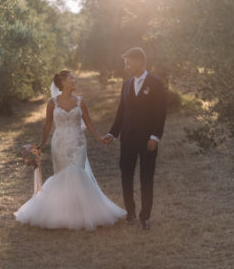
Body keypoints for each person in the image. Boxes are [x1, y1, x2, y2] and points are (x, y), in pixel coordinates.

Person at [13, 70, 126, 230]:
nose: (75, 80)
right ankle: (61, 214)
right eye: (71, 78)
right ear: (63, 81)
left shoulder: (81, 101)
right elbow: (47, 126)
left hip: (78, 142)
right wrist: (40, 146)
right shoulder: (52, 103)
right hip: (60, 143)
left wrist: (100, 138)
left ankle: (80, 214)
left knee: (77, 174)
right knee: (62, 175)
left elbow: (88, 123)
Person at [104, 47, 167, 230]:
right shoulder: (126, 84)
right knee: (126, 176)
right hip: (128, 139)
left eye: (128, 62)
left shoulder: (156, 82)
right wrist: (112, 133)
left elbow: (160, 113)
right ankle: (130, 213)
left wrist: (155, 136)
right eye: (125, 63)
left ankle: (144, 217)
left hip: (148, 140)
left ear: (139, 61)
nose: (126, 66)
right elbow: (121, 113)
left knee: (146, 178)